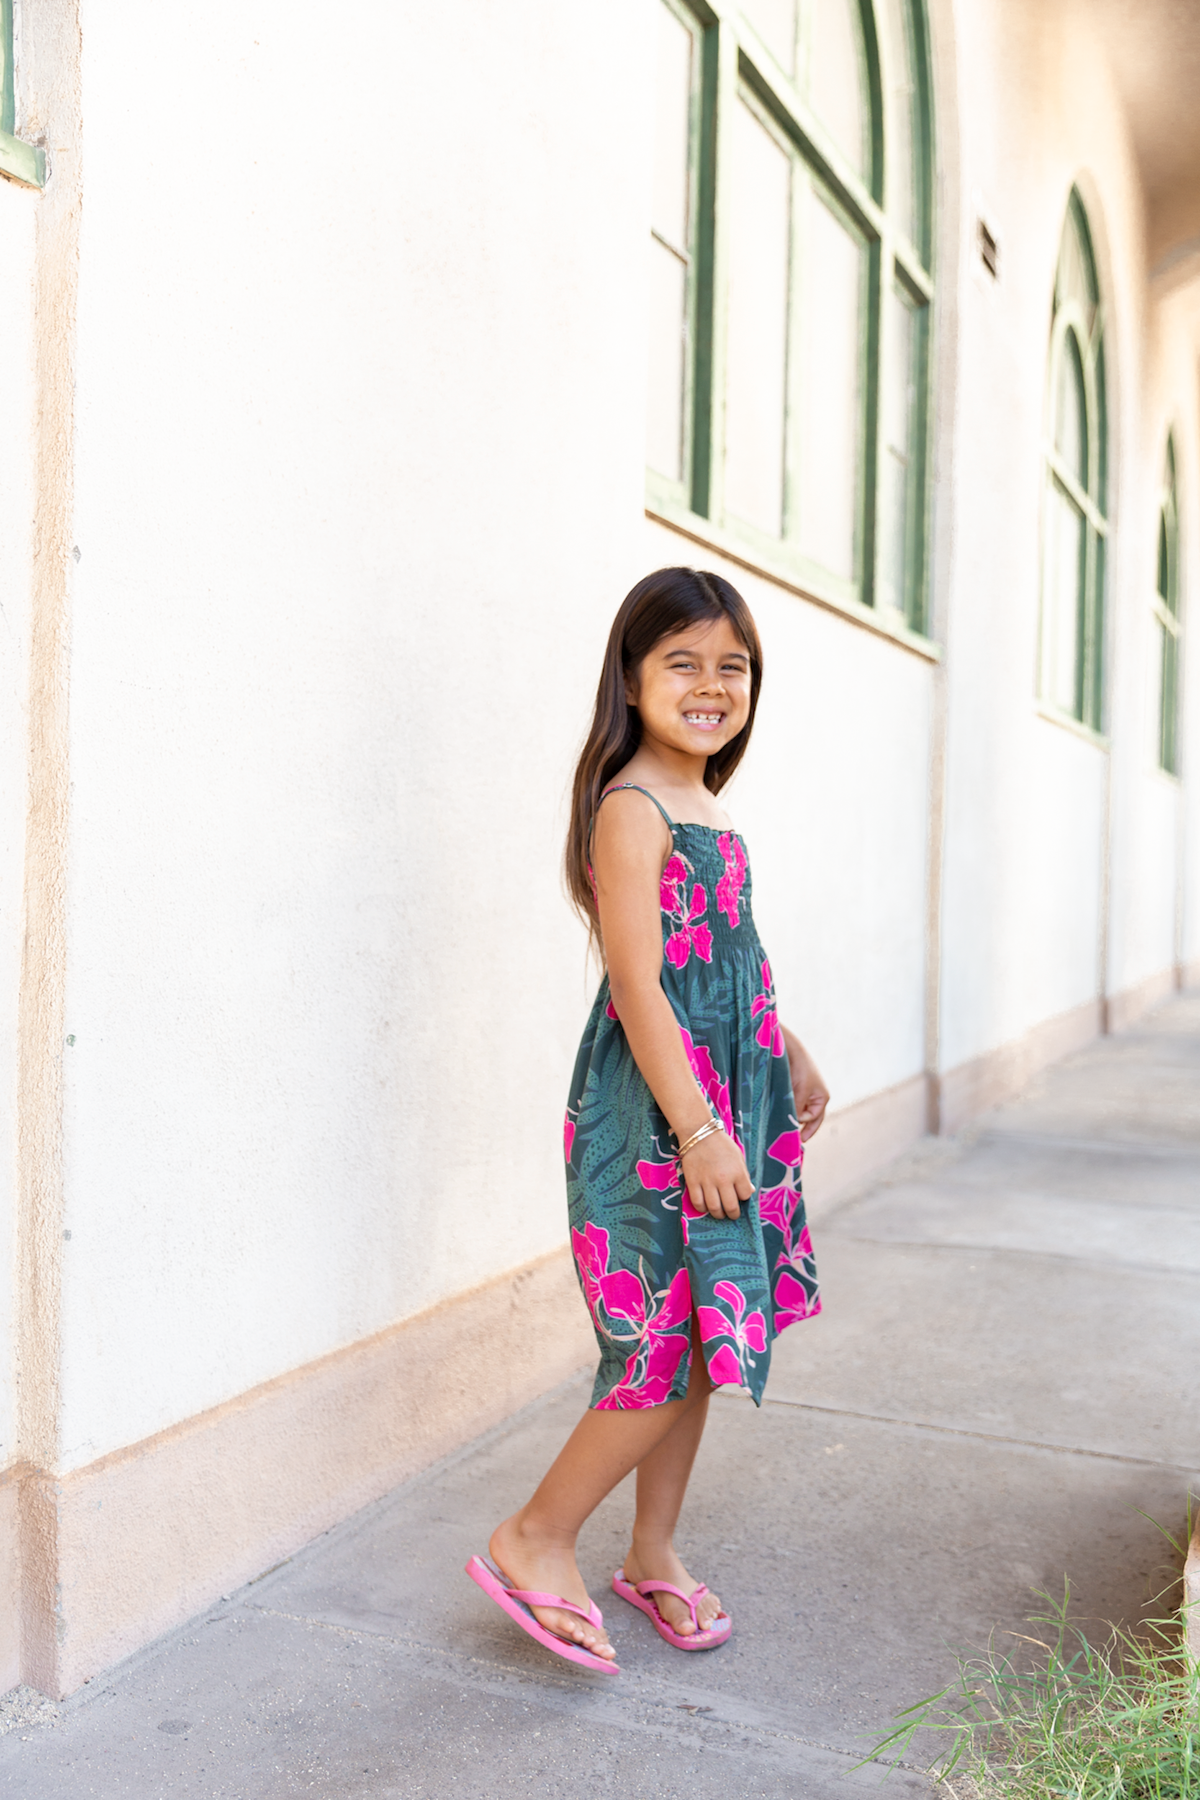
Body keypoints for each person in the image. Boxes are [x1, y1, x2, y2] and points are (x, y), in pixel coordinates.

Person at [466, 567, 828, 1672]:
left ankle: (654, 1553)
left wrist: (787, 1047)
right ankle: (533, 1537)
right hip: (660, 1118)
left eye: (734, 667)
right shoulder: (632, 806)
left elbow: (723, 954)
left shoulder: (708, 801)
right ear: (631, 678)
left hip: (726, 1098)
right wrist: (700, 1129)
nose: (712, 686)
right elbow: (638, 982)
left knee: (709, 1342)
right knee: (658, 1343)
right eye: (684, 662)